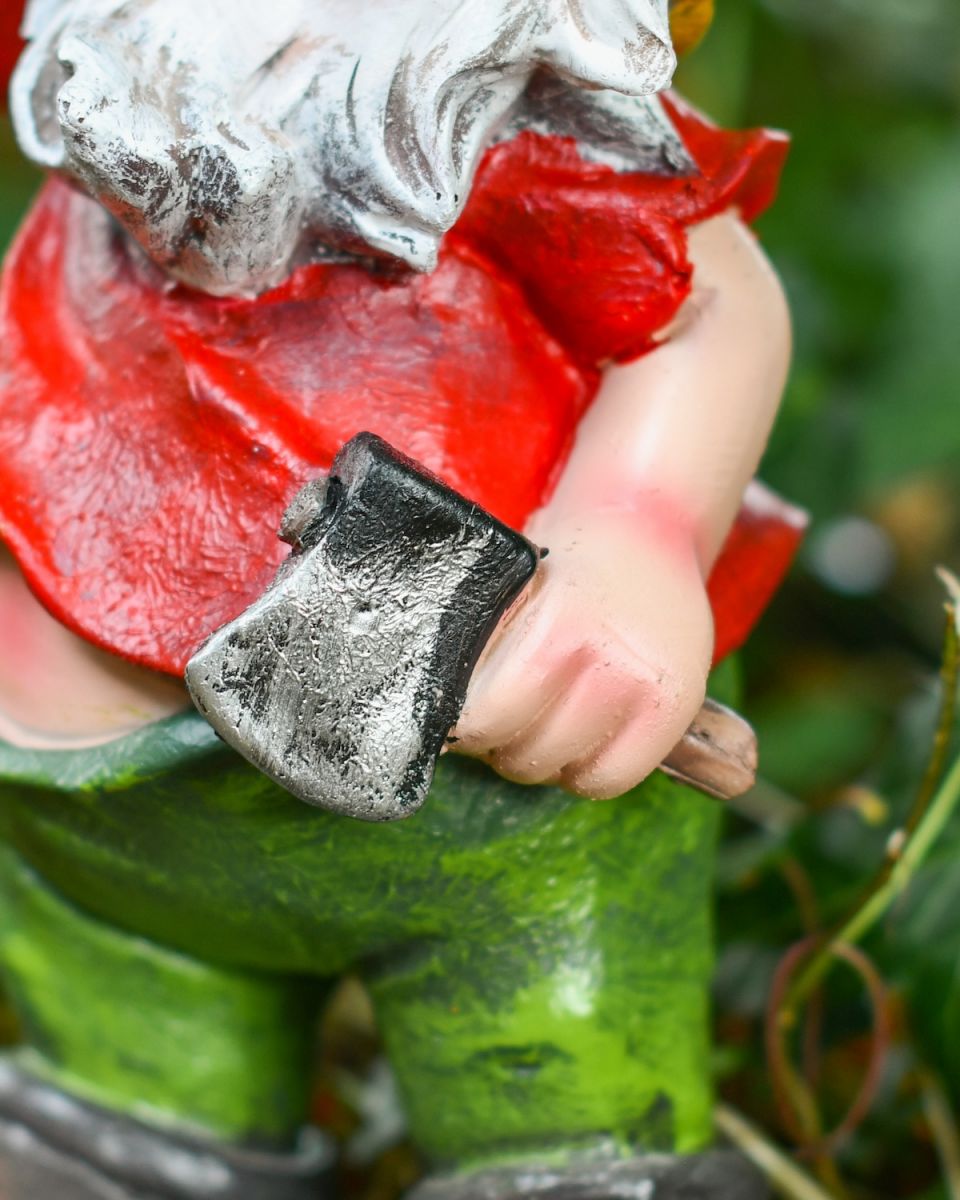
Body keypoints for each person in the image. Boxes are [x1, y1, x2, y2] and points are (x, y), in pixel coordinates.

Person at [0, 2, 803, 1197]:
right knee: (122, 1086)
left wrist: (637, 528)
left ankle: (558, 1151)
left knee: (550, 1079)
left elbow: (704, 306)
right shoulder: (103, 70)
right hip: (100, 844)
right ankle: (125, 1126)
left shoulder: (521, 141)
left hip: (488, 802)